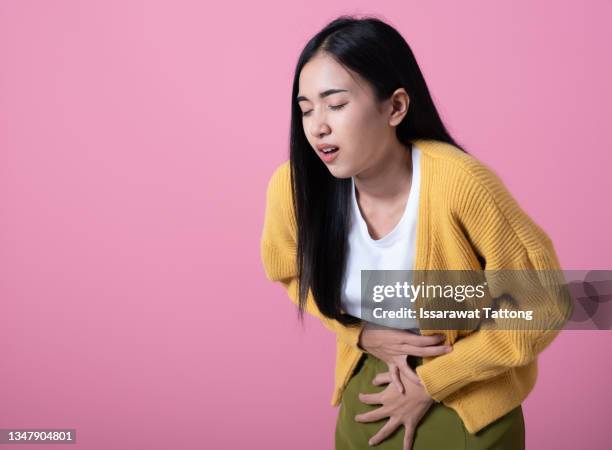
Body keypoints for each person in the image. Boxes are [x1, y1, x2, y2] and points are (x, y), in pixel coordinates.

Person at [260, 15, 567, 450]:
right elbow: (289, 271)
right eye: (306, 109)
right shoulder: (296, 189)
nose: (317, 126)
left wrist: (434, 381)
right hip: (370, 381)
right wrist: (359, 333)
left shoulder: (460, 183)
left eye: (336, 104)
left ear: (396, 107)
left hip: (468, 390)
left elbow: (546, 301)